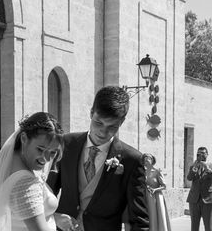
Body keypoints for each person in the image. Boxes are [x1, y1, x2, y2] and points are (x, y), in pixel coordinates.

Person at [47, 85, 149, 231]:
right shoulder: (66, 144)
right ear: (91, 113)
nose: (103, 132)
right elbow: (46, 193)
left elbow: (140, 220)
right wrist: (55, 217)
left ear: (122, 122)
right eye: (98, 123)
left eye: (112, 127)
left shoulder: (132, 160)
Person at [0, 111, 64, 231]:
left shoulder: (14, 165)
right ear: (24, 138)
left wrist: (55, 218)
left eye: (53, 152)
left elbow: (20, 213)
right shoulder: (25, 183)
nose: (47, 159)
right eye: (40, 149)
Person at [186, 146, 212, 231]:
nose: (201, 155)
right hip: (194, 199)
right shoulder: (193, 165)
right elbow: (189, 178)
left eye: (203, 153)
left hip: (208, 199)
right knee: (194, 226)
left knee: (208, 226)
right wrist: (194, 169)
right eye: (199, 153)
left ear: (207, 154)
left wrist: (207, 168)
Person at [142, 153, 171, 231]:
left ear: (152, 160)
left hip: (157, 197)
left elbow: (164, 186)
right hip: (146, 197)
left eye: (148, 159)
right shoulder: (142, 172)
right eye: (144, 160)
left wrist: (155, 190)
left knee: (157, 215)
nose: (146, 161)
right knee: (150, 216)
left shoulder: (157, 171)